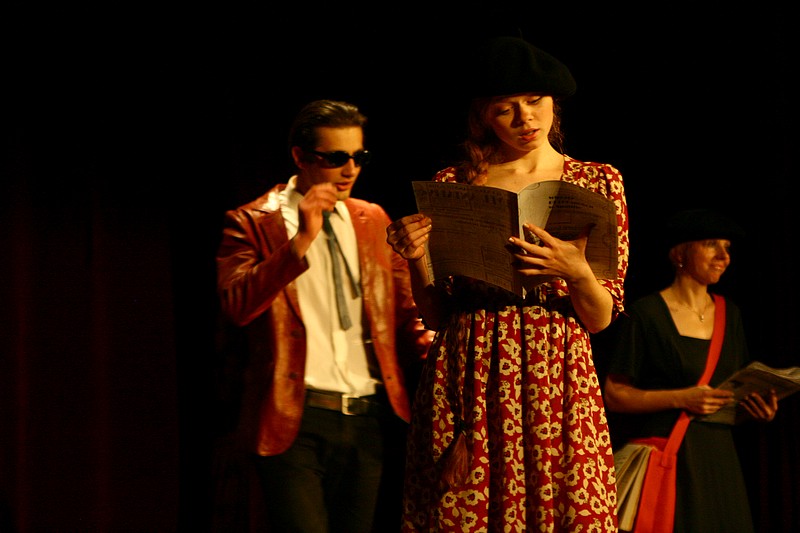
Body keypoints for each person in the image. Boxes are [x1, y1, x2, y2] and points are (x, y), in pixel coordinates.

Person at [385, 36, 629, 532]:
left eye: (535, 101)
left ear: (553, 102)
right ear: (484, 117)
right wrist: (415, 259)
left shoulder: (597, 182)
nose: (525, 118)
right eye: (505, 109)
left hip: (557, 371)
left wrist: (575, 271)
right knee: (466, 510)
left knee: (564, 508)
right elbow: (435, 314)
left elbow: (601, 317)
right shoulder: (455, 184)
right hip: (471, 369)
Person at [215, 99, 434, 533]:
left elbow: (408, 317)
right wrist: (300, 242)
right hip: (295, 417)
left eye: (358, 156)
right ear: (300, 157)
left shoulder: (372, 219)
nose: (350, 170)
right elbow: (237, 305)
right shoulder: (253, 221)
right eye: (335, 158)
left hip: (367, 416)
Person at [603, 208, 778, 532]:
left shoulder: (730, 314)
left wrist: (755, 409)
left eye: (727, 248)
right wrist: (683, 398)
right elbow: (614, 395)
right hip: (669, 457)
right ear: (680, 253)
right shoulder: (646, 314)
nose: (724, 257)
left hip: (719, 459)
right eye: (711, 244)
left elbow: (727, 396)